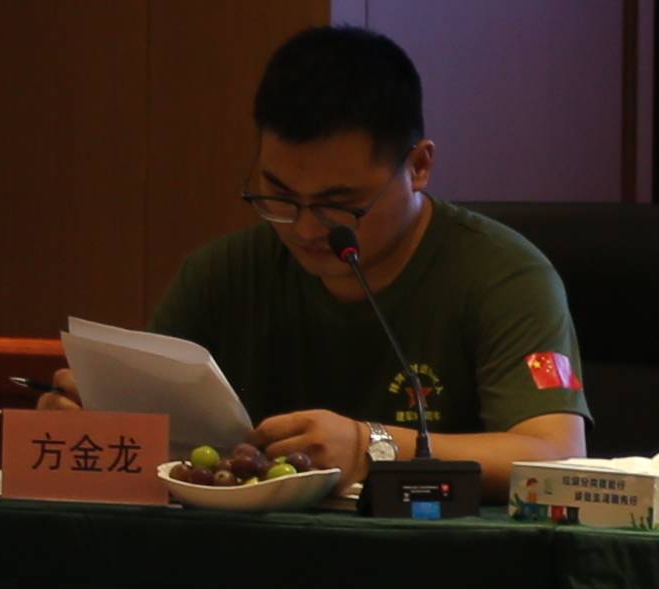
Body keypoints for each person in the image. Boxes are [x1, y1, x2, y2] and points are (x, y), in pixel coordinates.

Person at [145, 24, 592, 490]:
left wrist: (371, 446)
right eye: (279, 196)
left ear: (418, 166)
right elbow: (142, 427)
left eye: (339, 205)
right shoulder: (222, 274)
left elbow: (557, 456)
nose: (305, 229)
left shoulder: (504, 276)